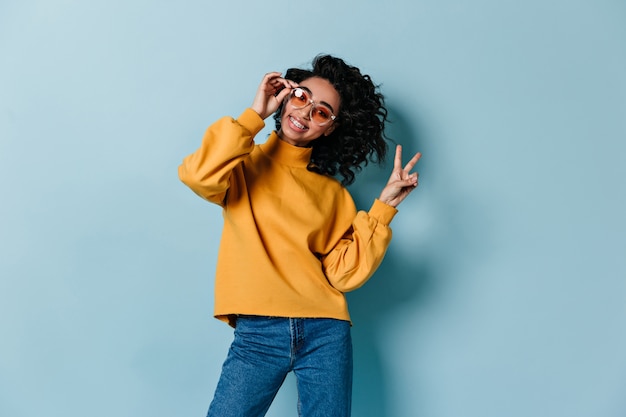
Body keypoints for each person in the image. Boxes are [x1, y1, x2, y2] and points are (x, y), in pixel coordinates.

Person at [178, 54, 421, 417]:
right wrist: (253, 115)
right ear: (286, 96)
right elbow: (198, 175)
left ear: (330, 128)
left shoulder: (334, 195)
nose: (306, 113)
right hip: (258, 333)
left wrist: (383, 209)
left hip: (326, 333)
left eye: (322, 112)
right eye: (302, 97)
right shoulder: (242, 166)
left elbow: (342, 273)